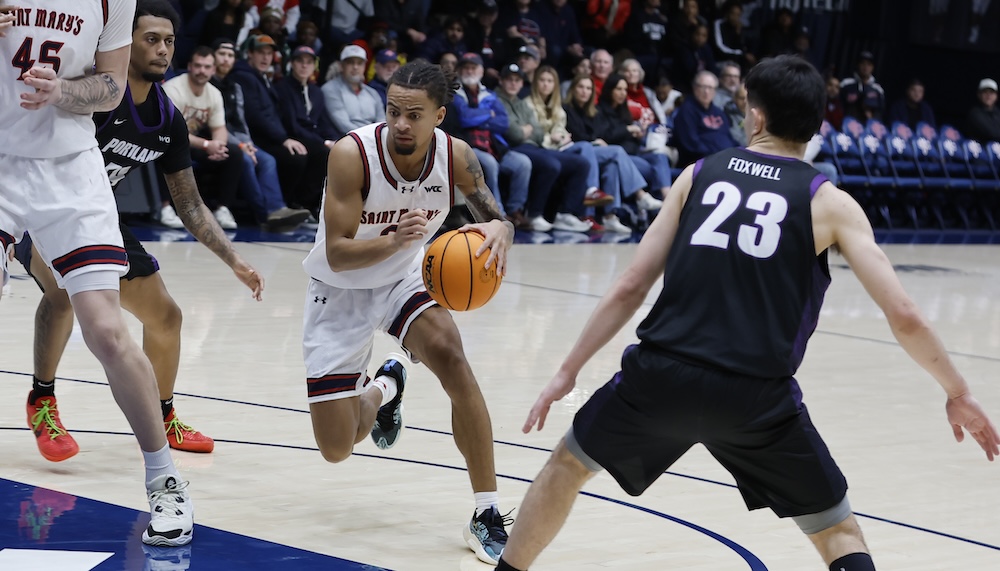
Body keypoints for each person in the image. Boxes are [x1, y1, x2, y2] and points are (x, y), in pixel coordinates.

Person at [494, 55, 1000, 571]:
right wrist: (958, 392)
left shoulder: (696, 175)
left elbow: (630, 285)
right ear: (816, 126)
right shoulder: (831, 204)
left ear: (755, 117)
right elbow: (905, 314)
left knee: (566, 467)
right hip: (756, 398)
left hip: (661, 375)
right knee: (837, 531)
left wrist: (568, 370)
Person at [1, 0, 215, 547]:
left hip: (72, 167)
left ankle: (165, 483)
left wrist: (61, 91)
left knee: (107, 330)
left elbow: (112, 86)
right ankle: (43, 397)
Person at [14, 0, 264, 463]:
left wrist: (234, 260)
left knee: (167, 316)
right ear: (123, 43)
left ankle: (163, 413)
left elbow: (189, 204)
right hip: (41, 204)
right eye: (151, 39)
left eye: (169, 41)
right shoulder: (90, 93)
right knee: (63, 292)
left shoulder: (167, 119)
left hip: (96, 216)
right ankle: (42, 400)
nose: (163, 49)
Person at [301, 60, 515, 566]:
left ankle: (486, 511)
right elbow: (336, 253)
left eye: (413, 115)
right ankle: (386, 385)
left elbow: (496, 218)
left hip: (404, 277)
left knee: (454, 362)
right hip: (340, 289)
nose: (400, 123)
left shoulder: (455, 157)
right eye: (393, 110)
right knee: (338, 446)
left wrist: (502, 229)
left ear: (438, 116)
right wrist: (394, 239)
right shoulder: (352, 155)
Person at [163, 46, 244, 229]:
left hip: (196, 144)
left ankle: (222, 208)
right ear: (190, 66)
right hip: (172, 141)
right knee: (166, 149)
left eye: (207, 67)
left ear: (213, 69)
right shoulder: (173, 89)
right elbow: (172, 132)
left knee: (234, 154)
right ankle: (164, 207)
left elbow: (219, 128)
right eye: (198, 66)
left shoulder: (214, 93)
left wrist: (218, 146)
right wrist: (207, 144)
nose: (202, 71)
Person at [965, 78, 1000, 143]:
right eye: (985, 92)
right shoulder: (975, 113)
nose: (988, 95)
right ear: (979, 94)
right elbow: (992, 133)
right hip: (980, 148)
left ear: (996, 96)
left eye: (991, 92)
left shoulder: (998, 112)